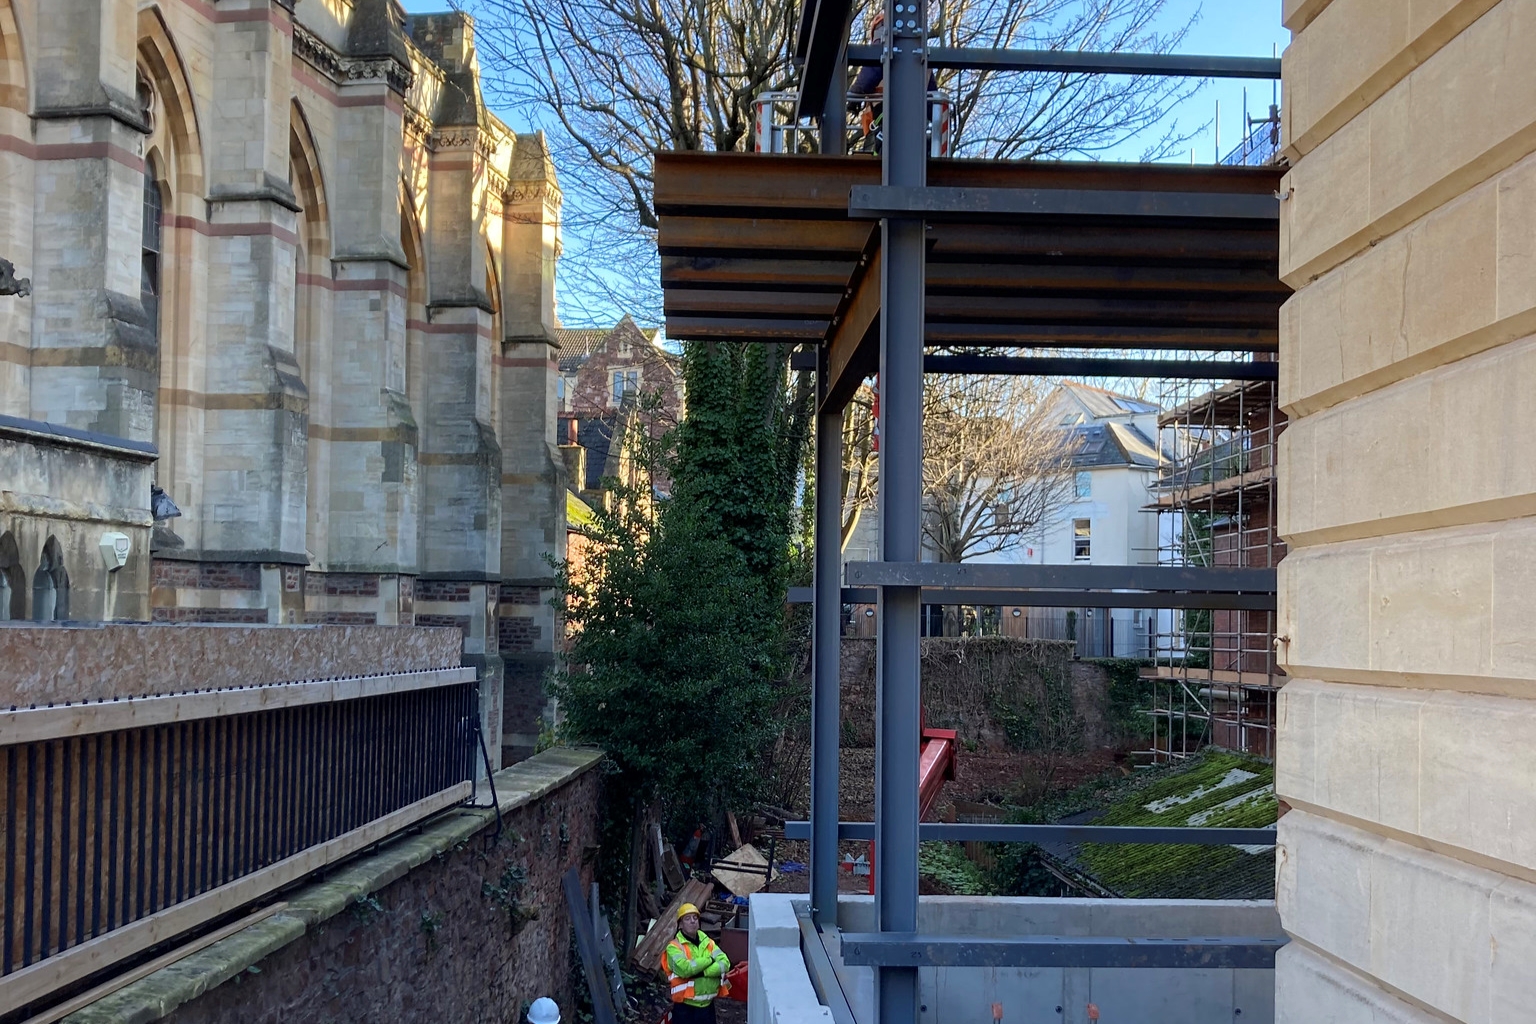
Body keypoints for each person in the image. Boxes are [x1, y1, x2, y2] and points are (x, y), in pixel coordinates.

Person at [662, 902, 731, 1024]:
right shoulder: (674, 947)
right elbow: (686, 969)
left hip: (708, 1007)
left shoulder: (708, 942)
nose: (692, 921)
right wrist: (710, 960)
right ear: (680, 925)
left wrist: (703, 972)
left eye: (695, 917)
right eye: (687, 918)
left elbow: (724, 964)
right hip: (685, 1008)